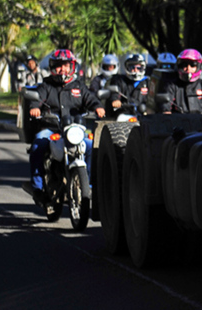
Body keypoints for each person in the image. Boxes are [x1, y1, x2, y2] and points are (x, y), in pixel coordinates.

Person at [23, 49, 105, 204]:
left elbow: (90, 99)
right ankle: (38, 188)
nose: (63, 69)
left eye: (66, 65)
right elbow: (37, 99)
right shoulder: (47, 85)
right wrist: (35, 107)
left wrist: (97, 107)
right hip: (52, 129)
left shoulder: (78, 86)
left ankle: (88, 185)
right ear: (53, 66)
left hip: (75, 129)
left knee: (90, 147)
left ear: (72, 67)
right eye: (59, 65)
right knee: (38, 144)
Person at [156, 49, 202, 114]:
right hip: (179, 122)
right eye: (184, 65)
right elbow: (165, 109)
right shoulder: (172, 86)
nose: (188, 68)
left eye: (192, 65)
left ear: (198, 66)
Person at [105, 53, 154, 117]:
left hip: (144, 114)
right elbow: (115, 93)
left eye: (139, 68)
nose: (135, 70)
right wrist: (115, 100)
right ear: (127, 68)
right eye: (132, 67)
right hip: (124, 113)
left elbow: (154, 99)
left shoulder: (148, 82)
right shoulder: (119, 80)